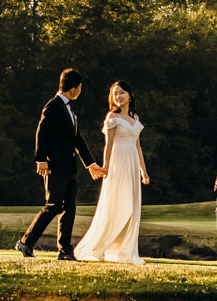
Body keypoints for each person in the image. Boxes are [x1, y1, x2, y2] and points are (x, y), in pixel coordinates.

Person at [17, 69, 105, 260]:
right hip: (54, 166)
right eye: (80, 88)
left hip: (69, 167)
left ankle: (65, 251)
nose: (80, 91)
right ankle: (25, 242)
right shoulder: (53, 106)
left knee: (69, 208)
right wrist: (40, 159)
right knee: (53, 205)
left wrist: (90, 164)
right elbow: (42, 132)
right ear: (74, 88)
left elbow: (77, 140)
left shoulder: (70, 111)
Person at [71, 79, 150, 265]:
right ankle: (97, 247)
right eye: (115, 93)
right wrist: (105, 167)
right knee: (116, 205)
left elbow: (137, 147)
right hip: (118, 164)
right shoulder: (112, 118)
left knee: (132, 206)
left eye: (121, 92)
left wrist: (143, 171)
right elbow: (108, 145)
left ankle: (125, 252)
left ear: (130, 95)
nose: (118, 96)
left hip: (132, 164)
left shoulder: (135, 118)